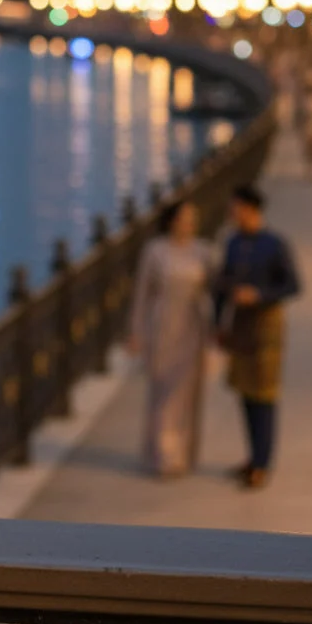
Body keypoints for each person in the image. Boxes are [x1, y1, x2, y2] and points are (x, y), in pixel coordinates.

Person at [215, 185, 301, 490]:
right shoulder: (234, 242)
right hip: (240, 324)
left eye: (236, 207)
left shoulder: (275, 243)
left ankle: (263, 462)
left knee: (264, 392)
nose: (232, 214)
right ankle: (252, 457)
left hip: (266, 325)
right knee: (245, 390)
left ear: (251, 209)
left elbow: (293, 285)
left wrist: (260, 294)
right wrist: (218, 323)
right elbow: (221, 282)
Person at [128, 201, 216, 479]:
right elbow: (142, 293)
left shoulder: (203, 251)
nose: (189, 224)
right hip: (163, 325)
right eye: (184, 219)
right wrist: (136, 331)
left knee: (186, 393)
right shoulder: (155, 251)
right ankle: (162, 454)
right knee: (163, 392)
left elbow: (216, 287)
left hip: (192, 327)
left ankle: (182, 452)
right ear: (171, 222)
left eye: (193, 219)